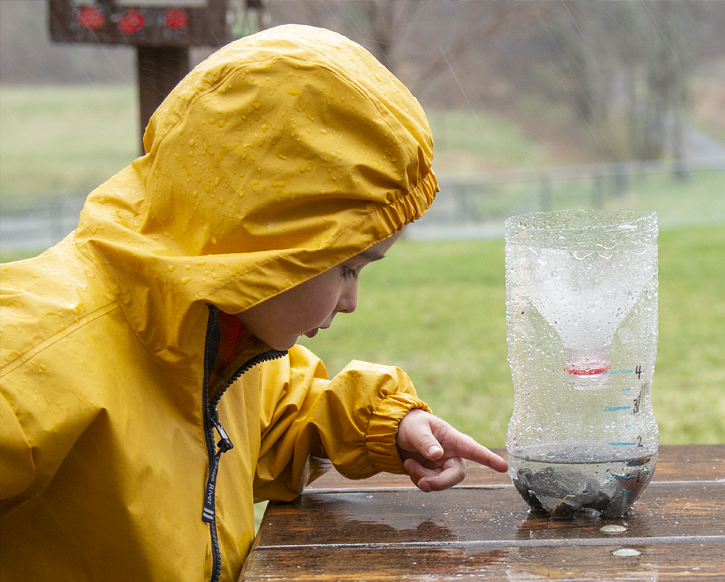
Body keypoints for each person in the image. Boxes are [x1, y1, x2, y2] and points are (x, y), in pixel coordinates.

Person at [0, 24, 507, 582]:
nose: (351, 302)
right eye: (346, 269)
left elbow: (268, 421)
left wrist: (380, 424)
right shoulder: (35, 355)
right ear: (271, 242)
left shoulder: (217, 337)